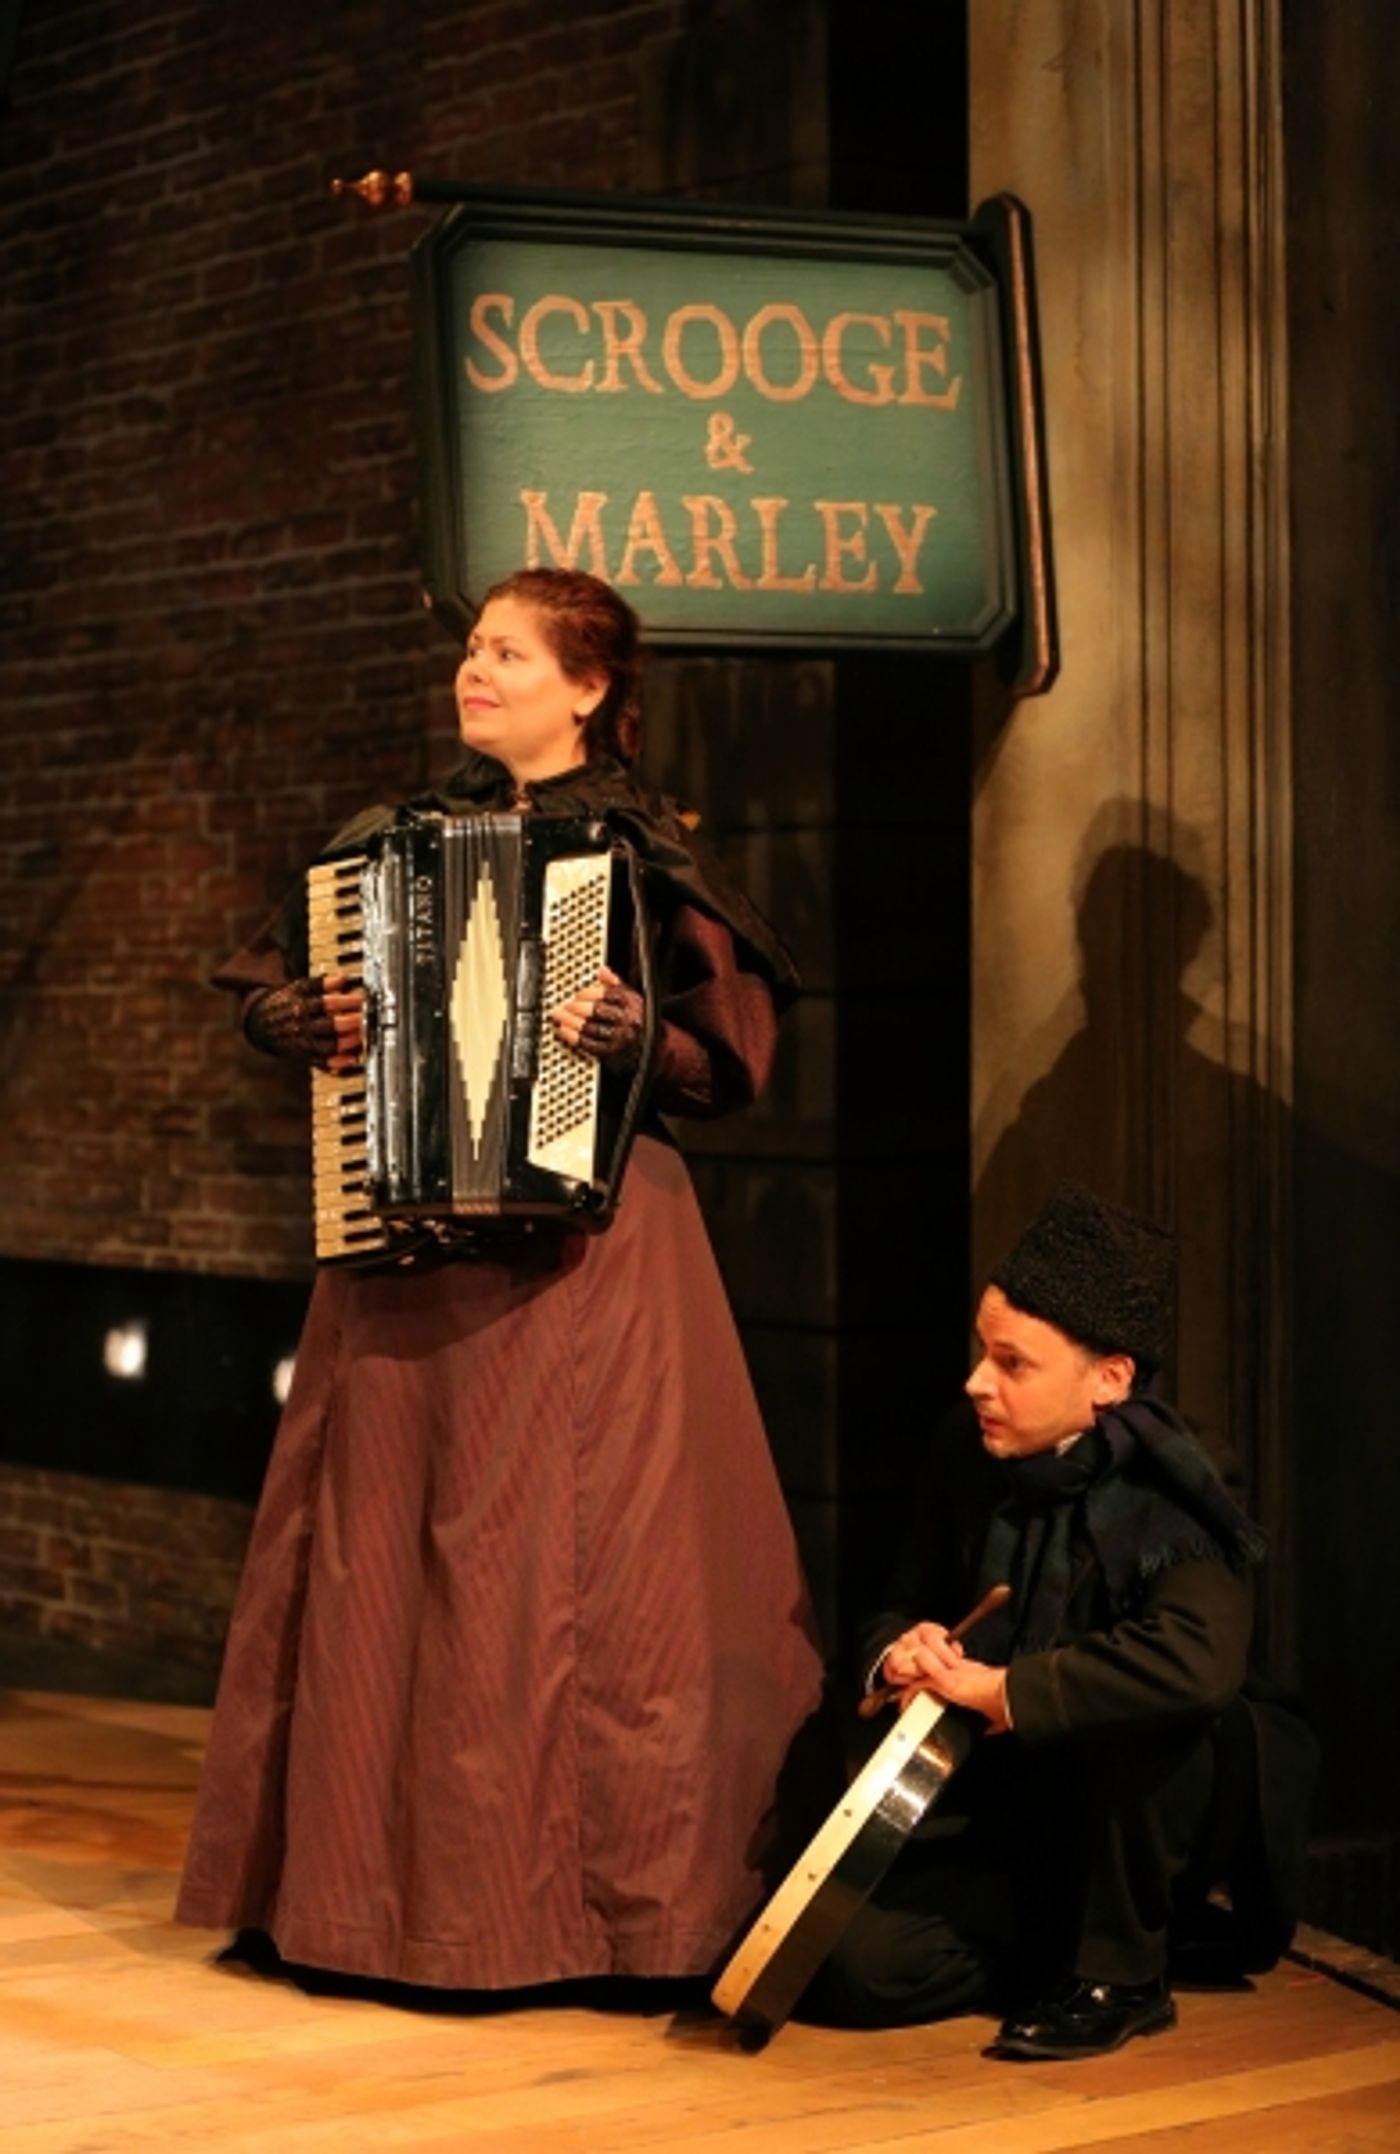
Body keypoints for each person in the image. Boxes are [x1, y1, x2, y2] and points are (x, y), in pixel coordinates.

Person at [175, 566, 824, 1992]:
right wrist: (300, 1016)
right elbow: (275, 991)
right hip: (407, 1259)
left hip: (589, 1260)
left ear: (589, 688)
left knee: (581, 1574)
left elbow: (732, 1065)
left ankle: (595, 1911)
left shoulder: (649, 852)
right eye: (473, 649)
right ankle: (357, 1901)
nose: (477, 672)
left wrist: (636, 1026)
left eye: (510, 653)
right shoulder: (393, 839)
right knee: (383, 1560)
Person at [802, 1185, 1316, 2059]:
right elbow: (894, 1601)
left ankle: (1125, 1972)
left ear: (1110, 1378)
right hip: (1016, 1809)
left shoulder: (1178, 1480)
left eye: (1013, 1364)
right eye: (981, 1353)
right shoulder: (963, 1449)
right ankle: (1061, 1950)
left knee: (1146, 1707)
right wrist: (903, 1652)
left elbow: (1197, 1662)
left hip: (1152, 1805)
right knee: (850, 1967)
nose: (977, 1383)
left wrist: (1006, 1690)